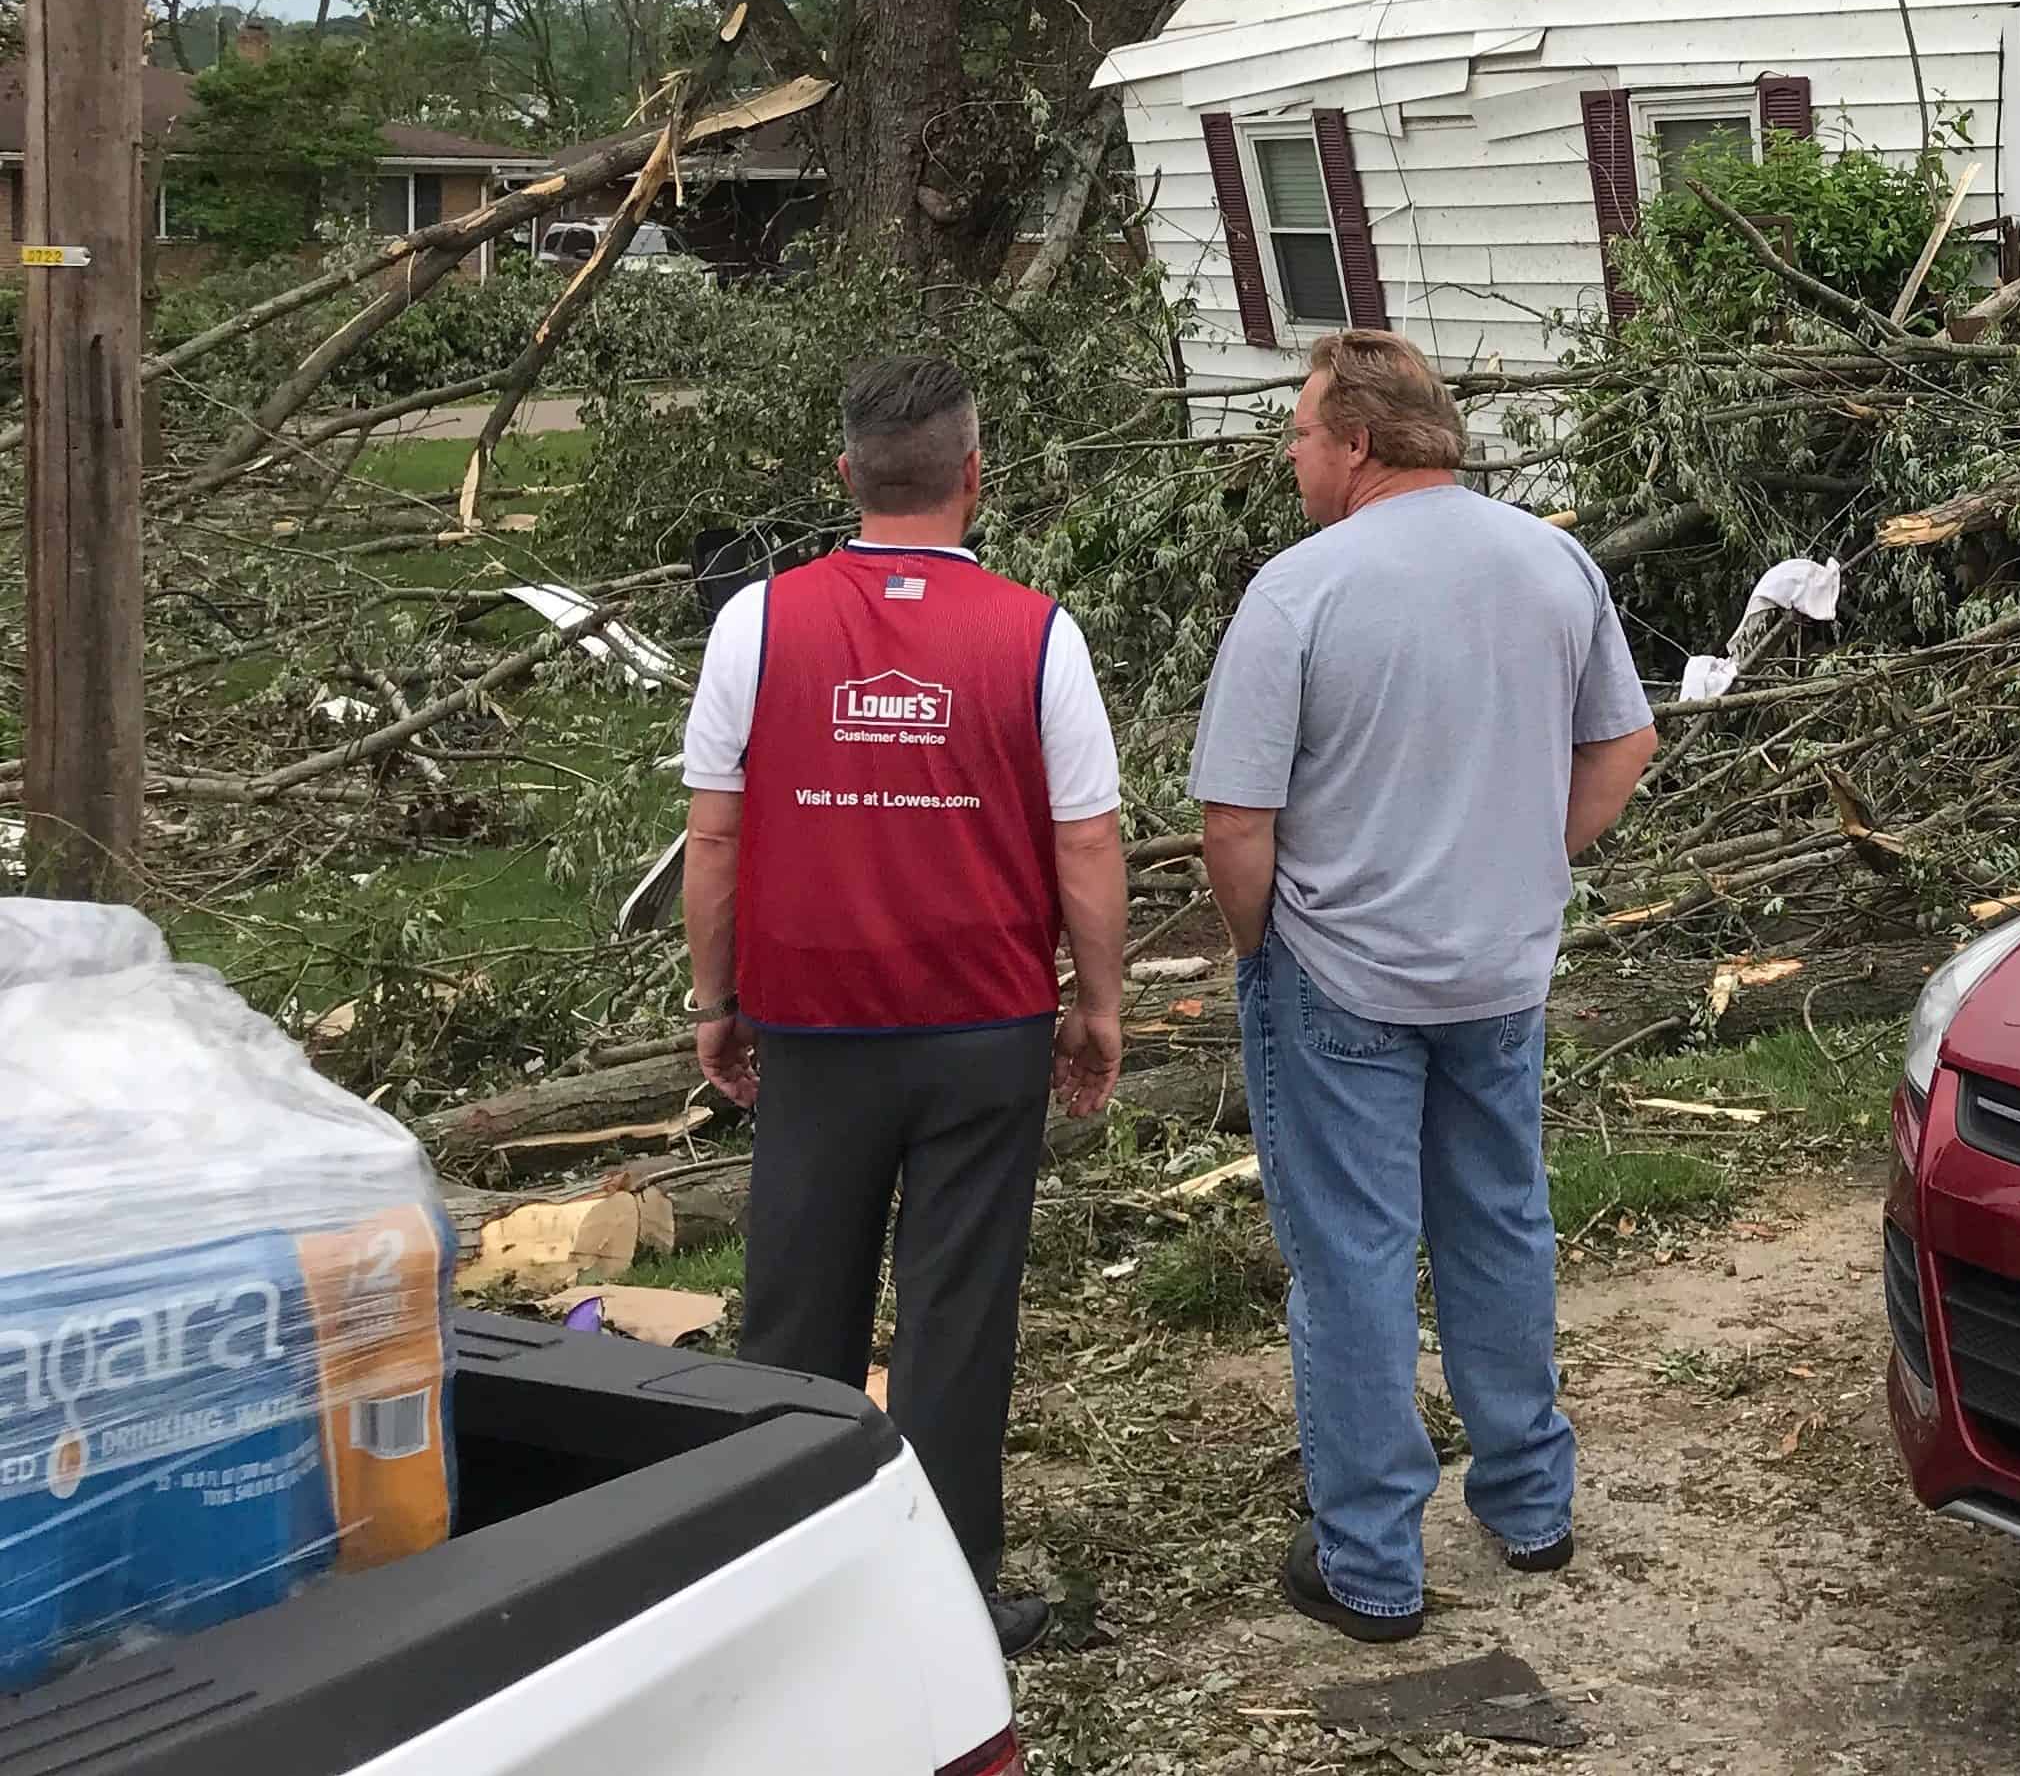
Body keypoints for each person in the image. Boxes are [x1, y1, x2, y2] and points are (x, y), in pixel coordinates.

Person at [1192, 329, 1658, 1641]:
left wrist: (1258, 941)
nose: (1288, 458)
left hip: (1343, 974)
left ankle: (1369, 1564)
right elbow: (1626, 739)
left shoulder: (1300, 591)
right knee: (1499, 1223)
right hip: (1497, 969)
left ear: (1354, 442)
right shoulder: (1549, 559)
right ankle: (1528, 1503)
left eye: (1295, 434)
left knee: (1352, 1255)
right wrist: (1523, 852)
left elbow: (1237, 822)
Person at [680, 353, 1130, 1659]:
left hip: (812, 1022)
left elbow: (714, 838)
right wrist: (1095, 1006)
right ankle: (946, 1601)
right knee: (956, 1311)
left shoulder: (756, 624)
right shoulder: (1038, 634)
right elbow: (1088, 844)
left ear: (846, 480)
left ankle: (781, 1581)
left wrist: (716, 997)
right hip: (983, 1023)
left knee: (797, 1305)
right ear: (974, 477)